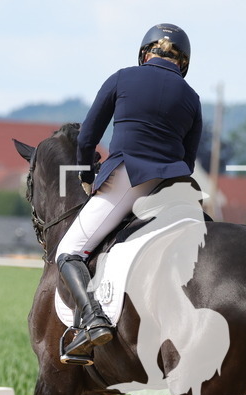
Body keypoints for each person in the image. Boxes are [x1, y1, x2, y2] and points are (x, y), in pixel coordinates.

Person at [55, 23, 203, 364]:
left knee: (70, 249)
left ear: (144, 53)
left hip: (129, 179)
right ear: (183, 62)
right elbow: (189, 159)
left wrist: (86, 176)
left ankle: (93, 320)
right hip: (174, 188)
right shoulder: (192, 98)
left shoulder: (122, 78)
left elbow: (87, 137)